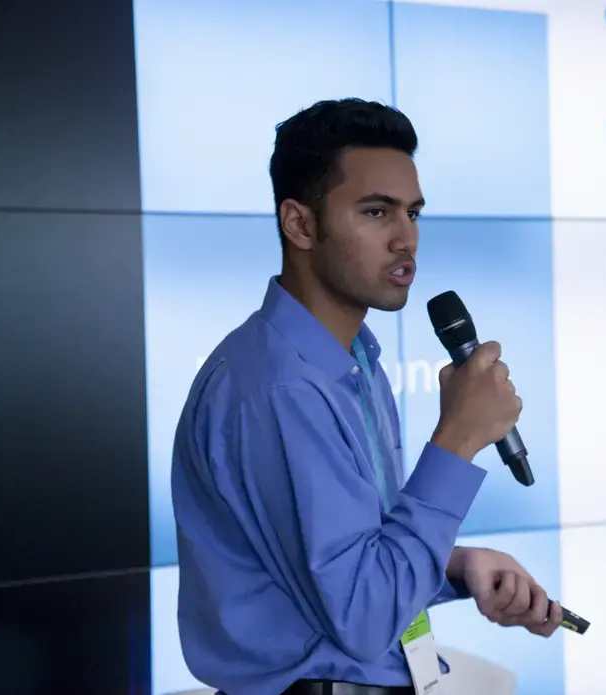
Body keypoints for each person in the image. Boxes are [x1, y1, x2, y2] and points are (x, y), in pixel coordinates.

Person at [171, 98, 563, 695]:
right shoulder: (279, 388)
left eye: (413, 213)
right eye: (377, 212)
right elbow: (363, 615)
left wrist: (455, 565)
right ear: (300, 224)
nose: (406, 239)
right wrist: (457, 438)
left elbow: (340, 567)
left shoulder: (355, 361)